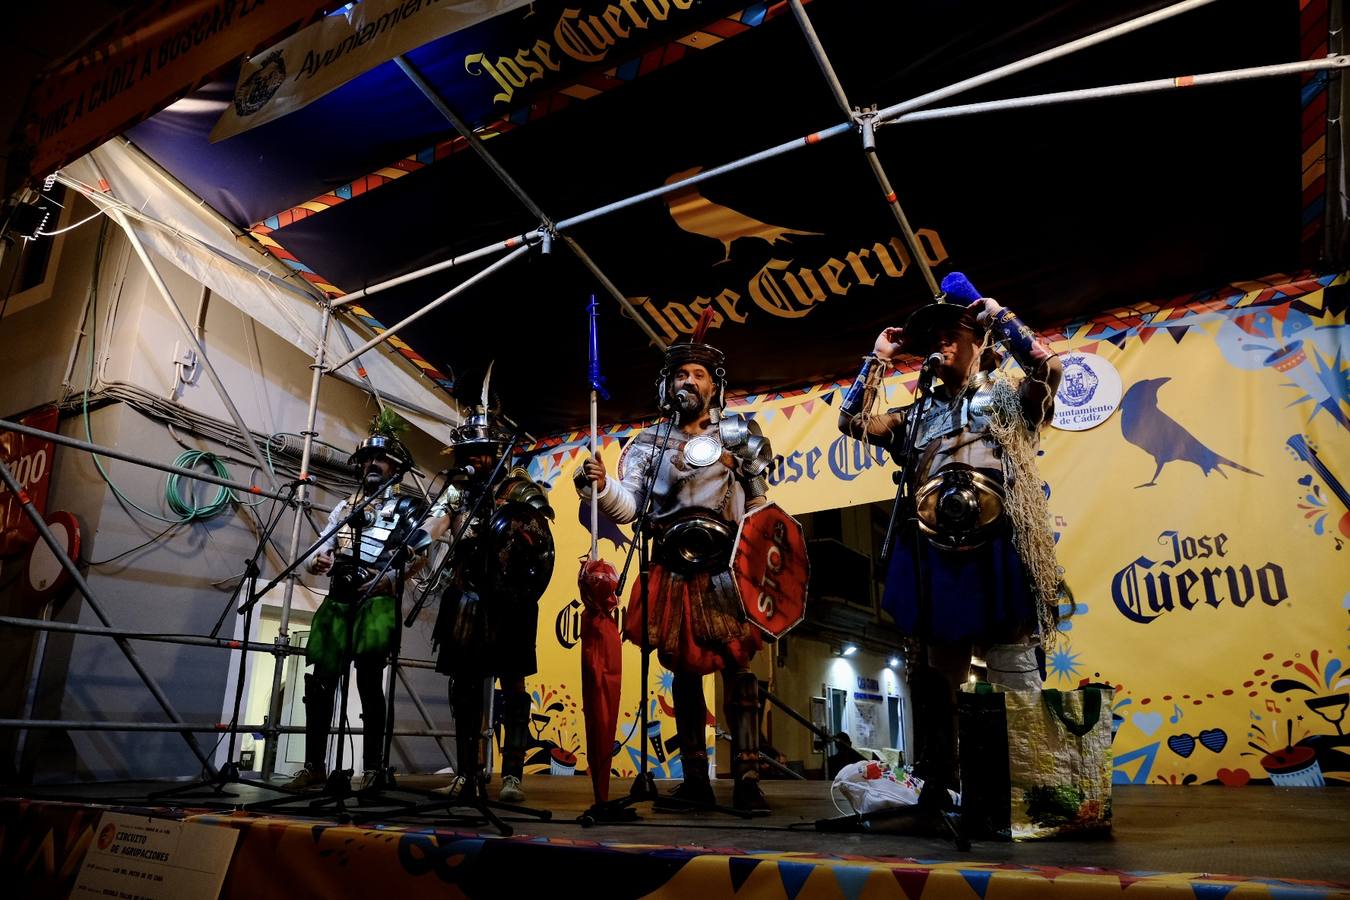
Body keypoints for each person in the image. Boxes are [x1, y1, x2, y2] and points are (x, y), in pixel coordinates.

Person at [837, 287, 1064, 807]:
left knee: (1012, 660)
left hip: (997, 544)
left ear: (979, 344)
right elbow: (852, 422)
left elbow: (1048, 370)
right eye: (933, 340)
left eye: (952, 336)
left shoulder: (1007, 399)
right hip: (932, 551)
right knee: (938, 670)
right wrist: (877, 359)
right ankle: (942, 777)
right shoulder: (913, 416)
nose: (941, 346)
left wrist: (998, 315)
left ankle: (1029, 785)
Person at [574, 315, 775, 810]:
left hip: (725, 567)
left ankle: (747, 777)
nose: (689, 380)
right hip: (671, 564)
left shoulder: (739, 436)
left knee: (738, 666)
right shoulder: (647, 443)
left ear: (714, 385)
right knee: (684, 673)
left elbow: (760, 506)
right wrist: (600, 486)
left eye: (699, 374)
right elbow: (632, 507)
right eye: (682, 373)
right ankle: (696, 781)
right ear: (668, 384)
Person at [286, 410, 429, 792]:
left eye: (378, 459)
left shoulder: (406, 508)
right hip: (339, 597)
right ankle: (314, 764)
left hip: (377, 599)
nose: (371, 465)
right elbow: (319, 554)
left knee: (369, 682)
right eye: (366, 459)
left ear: (392, 464)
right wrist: (319, 561)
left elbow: (422, 555)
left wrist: (394, 584)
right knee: (319, 683)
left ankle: (373, 768)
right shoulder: (343, 506)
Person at [429, 395, 555, 805]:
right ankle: (467, 772)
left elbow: (538, 541)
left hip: (509, 601)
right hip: (466, 595)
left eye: (481, 453)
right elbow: (437, 524)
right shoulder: (459, 492)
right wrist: (417, 539)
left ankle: (513, 775)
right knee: (463, 685)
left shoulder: (520, 488)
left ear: (497, 451)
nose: (474, 460)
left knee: (513, 682)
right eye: (468, 453)